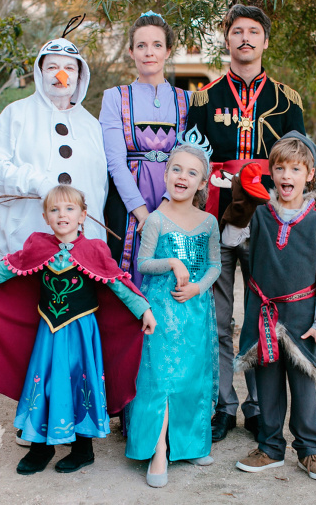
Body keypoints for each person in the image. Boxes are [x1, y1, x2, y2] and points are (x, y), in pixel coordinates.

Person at [0, 185, 157, 475]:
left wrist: (143, 309)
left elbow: (116, 282)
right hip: (48, 334)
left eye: (69, 209)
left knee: (81, 384)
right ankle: (41, 446)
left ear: (83, 216)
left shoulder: (94, 249)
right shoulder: (38, 246)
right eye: (54, 210)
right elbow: (11, 266)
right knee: (46, 381)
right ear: (45, 217)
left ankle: (82, 449)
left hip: (81, 334)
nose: (62, 215)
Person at [185, 4, 306, 442]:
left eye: (254, 32)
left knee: (261, 317)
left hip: (268, 224)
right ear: (227, 39)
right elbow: (191, 163)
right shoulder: (204, 97)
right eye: (237, 32)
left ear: (265, 41)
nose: (246, 39)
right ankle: (222, 405)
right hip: (215, 221)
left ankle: (258, 407)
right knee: (216, 318)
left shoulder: (287, 100)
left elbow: (299, 163)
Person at [233, 132, 316, 480]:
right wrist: (240, 198)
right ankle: (269, 446)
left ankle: (309, 450)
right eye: (280, 168)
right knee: (266, 383)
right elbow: (229, 240)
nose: (286, 176)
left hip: (302, 319)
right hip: (262, 316)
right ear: (272, 172)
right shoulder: (260, 215)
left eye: (295, 169)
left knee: (303, 386)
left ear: (309, 174)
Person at [125, 129, 220, 488]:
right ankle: (159, 449)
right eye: (176, 169)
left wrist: (197, 285)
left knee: (193, 378)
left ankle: (191, 443)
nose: (182, 177)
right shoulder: (155, 219)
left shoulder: (209, 222)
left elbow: (215, 265)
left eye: (191, 173)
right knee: (162, 379)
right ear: (165, 175)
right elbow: (143, 263)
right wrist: (172, 263)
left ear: (201, 183)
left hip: (194, 310)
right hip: (162, 310)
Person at [0, 38, 108, 265]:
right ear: (40, 73)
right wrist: (36, 182)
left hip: (79, 254)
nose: (61, 75)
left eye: (69, 68)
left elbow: (99, 191)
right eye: (52, 67)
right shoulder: (16, 114)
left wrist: (95, 242)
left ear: (80, 76)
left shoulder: (91, 125)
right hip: (22, 246)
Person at [100, 11, 189, 287]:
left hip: (174, 198)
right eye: (141, 45)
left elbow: (189, 158)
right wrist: (143, 215)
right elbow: (115, 162)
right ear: (131, 51)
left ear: (168, 51)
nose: (149, 52)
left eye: (157, 45)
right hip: (129, 202)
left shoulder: (187, 100)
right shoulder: (115, 97)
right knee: (129, 275)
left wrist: (167, 208)